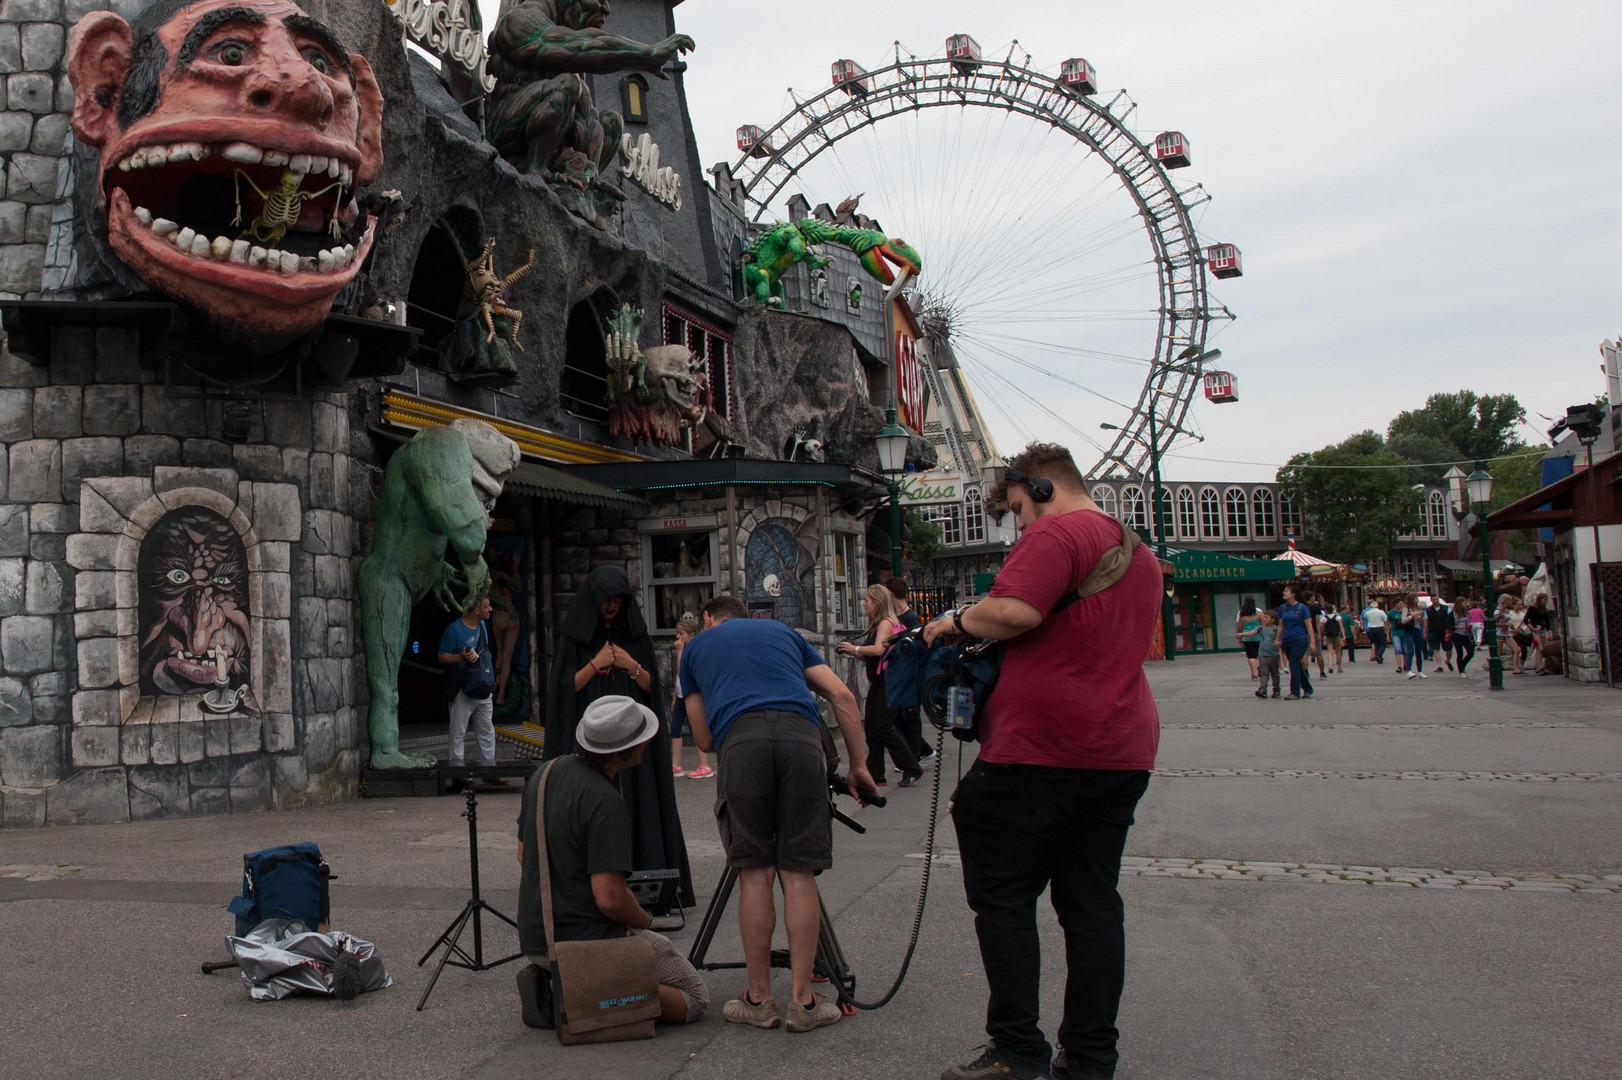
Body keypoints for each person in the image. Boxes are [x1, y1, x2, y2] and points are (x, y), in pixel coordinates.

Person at [921, 443, 1162, 1080]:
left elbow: (1018, 611)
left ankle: (1016, 1052)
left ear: (1045, 489)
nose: (1020, 525)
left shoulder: (1060, 532)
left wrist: (954, 620)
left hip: (1040, 747)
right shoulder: (1140, 555)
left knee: (1003, 902)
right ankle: (1089, 1058)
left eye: (1020, 509)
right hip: (1121, 748)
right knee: (1091, 906)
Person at [680, 594, 877, 1033]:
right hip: (802, 739)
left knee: (755, 873)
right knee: (798, 873)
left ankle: (759, 999)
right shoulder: (783, 634)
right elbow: (842, 695)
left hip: (742, 743)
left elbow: (706, 740)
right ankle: (804, 1003)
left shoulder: (693, 649)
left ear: (709, 619)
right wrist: (859, 766)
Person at [514, 696, 710, 1032]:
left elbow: (523, 854)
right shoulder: (605, 803)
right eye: (642, 739)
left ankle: (560, 980)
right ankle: (580, 995)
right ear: (627, 751)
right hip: (581, 940)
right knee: (694, 997)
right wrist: (643, 919)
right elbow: (608, 898)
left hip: (536, 934)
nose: (647, 743)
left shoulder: (545, 772)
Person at [543, 566, 693, 907]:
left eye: (616, 600)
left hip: (631, 744)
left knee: (639, 804)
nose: (610, 606)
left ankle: (645, 882)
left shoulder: (635, 637)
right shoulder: (575, 638)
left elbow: (651, 687)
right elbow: (563, 690)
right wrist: (595, 665)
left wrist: (629, 664)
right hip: (591, 744)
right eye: (605, 599)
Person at [837, 584, 922, 789]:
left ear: (877, 602)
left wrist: (855, 647)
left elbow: (878, 649)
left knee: (883, 725)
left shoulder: (885, 623)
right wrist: (855, 652)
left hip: (887, 682)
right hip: (880, 681)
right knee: (872, 727)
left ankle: (911, 766)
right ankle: (875, 773)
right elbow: (876, 655)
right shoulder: (879, 624)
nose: (864, 604)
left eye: (867, 600)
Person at [438, 595, 499, 770]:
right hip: (463, 687)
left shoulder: (482, 626)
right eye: (487, 606)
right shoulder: (454, 629)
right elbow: (441, 656)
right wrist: (461, 657)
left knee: (487, 730)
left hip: (482, 685)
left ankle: (490, 770)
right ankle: (457, 772)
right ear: (476, 610)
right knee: (458, 732)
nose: (490, 609)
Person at [886, 577, 935, 764]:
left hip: (909, 671)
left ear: (891, 593)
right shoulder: (898, 617)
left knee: (911, 714)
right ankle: (922, 749)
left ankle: (915, 754)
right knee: (898, 715)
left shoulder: (910, 618)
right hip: (901, 671)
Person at [668, 616, 712, 779]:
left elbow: (682, 672)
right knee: (675, 729)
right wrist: (674, 696)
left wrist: (680, 652)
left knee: (697, 729)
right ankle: (675, 764)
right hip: (681, 695)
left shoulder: (695, 651)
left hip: (692, 695)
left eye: (681, 634)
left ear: (691, 635)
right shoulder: (686, 650)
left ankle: (705, 765)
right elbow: (678, 679)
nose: (678, 637)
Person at [1276, 585, 1317, 700]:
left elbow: (1309, 626)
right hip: (1286, 639)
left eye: (1287, 591)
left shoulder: (1302, 608)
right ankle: (1308, 688)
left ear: (1293, 594)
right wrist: (1277, 639)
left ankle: (1294, 692)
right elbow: (1280, 625)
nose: (1284, 593)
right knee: (1297, 665)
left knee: (1293, 664)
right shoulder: (1283, 608)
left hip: (1299, 638)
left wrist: (1312, 642)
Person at [1253, 609, 1281, 699]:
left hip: (1273, 655)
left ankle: (1276, 690)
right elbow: (1252, 632)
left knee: (1274, 673)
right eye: (1263, 617)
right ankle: (1263, 689)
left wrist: (1279, 643)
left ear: (1273, 620)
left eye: (1266, 617)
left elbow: (1280, 639)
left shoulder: (1276, 629)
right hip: (1262, 654)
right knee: (1263, 672)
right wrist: (1242, 634)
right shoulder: (1261, 628)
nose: (1264, 619)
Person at [1426, 597, 1456, 675]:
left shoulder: (1446, 608)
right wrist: (1425, 632)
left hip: (1445, 631)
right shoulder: (1428, 610)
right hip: (1433, 631)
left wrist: (1450, 629)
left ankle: (1448, 660)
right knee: (1435, 649)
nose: (1436, 601)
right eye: (1434, 599)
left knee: (1448, 649)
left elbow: (1451, 618)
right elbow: (1426, 621)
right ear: (1431, 600)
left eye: (1437, 599)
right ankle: (1439, 666)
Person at [1525, 594, 1553, 674]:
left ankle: (1541, 666)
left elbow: (1547, 623)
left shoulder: (1544, 610)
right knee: (1539, 648)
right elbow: (1526, 620)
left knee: (1541, 649)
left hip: (1542, 630)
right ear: (1539, 600)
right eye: (1544, 600)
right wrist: (1532, 627)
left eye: (1546, 600)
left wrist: (1550, 632)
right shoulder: (1532, 609)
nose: (1545, 602)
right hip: (1535, 631)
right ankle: (1539, 667)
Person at [1304, 592, 1329, 678]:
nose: (1314, 597)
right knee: (1318, 653)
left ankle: (1306, 672)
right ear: (1310, 597)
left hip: (1303, 632)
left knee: (1305, 653)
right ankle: (1322, 672)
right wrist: (1319, 633)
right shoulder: (1315, 607)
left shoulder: (1302, 607)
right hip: (1313, 631)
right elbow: (1317, 621)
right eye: (1314, 596)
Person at [1236, 597, 1261, 679]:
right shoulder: (1258, 612)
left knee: (1251, 656)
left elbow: (1240, 626)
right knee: (1259, 654)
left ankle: (1254, 673)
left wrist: (1240, 636)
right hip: (1258, 636)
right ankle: (1259, 667)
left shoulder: (1242, 614)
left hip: (1246, 637)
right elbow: (1263, 623)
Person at [1451, 598, 1476, 678]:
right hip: (1456, 634)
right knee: (1460, 653)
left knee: (1470, 652)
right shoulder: (1453, 613)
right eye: (1464, 603)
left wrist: (1469, 626)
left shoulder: (1467, 613)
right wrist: (1457, 626)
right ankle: (1461, 671)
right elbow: (1448, 625)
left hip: (1466, 634)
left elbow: (1469, 622)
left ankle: (1462, 665)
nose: (1466, 604)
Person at [1361, 600, 1389, 664]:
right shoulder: (1381, 612)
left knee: (1376, 643)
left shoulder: (1367, 613)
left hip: (1371, 629)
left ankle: (1379, 657)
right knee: (1383, 643)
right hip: (1379, 628)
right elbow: (1385, 620)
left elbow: (1364, 618)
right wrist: (1387, 631)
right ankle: (1378, 654)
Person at [1321, 600, 1343, 673]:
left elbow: (1322, 627)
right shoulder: (1338, 617)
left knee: (1330, 651)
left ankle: (1330, 665)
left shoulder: (1324, 618)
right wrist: (1344, 635)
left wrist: (1322, 634)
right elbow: (1341, 627)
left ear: (1326, 610)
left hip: (1328, 635)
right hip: (1336, 635)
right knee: (1338, 652)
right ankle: (1339, 666)